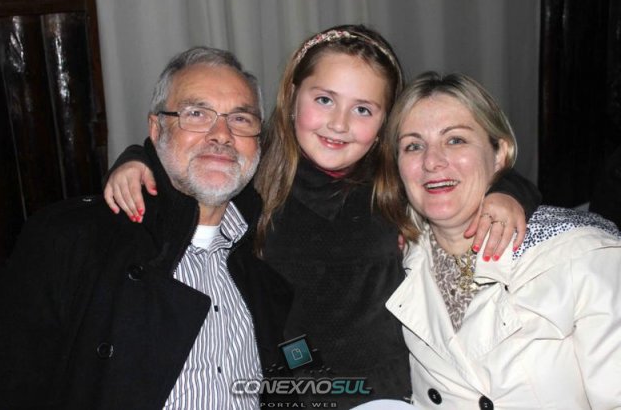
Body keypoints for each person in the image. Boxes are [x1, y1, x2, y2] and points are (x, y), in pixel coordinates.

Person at [104, 25, 540, 407]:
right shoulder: (255, 177)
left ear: (386, 123)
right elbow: (189, 164)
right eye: (325, 100)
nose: (339, 123)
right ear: (293, 97)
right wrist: (135, 158)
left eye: (363, 109)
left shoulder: (393, 181)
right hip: (294, 386)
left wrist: (507, 193)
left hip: (395, 391)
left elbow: (479, 174)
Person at [0, 47, 292, 409]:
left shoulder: (268, 254)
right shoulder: (71, 239)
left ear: (258, 140)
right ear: (156, 129)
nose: (221, 134)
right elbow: (6, 386)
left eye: (240, 119)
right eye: (196, 114)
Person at [385, 71, 621, 409]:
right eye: (413, 145)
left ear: (500, 154)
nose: (432, 161)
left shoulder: (582, 257)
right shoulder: (391, 256)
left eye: (455, 140)